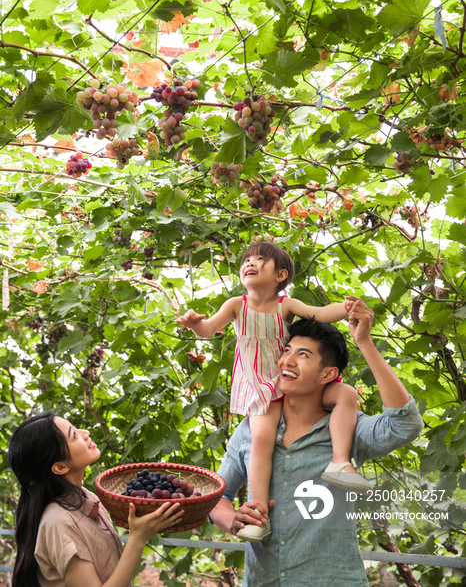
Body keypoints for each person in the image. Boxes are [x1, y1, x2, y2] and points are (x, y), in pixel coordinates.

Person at [209, 298, 424, 586]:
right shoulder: (251, 429)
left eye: (303, 355)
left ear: (328, 374)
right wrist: (233, 520)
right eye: (287, 350)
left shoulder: (348, 429)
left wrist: (365, 343)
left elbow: (405, 425)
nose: (287, 360)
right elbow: (215, 497)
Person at [176, 241, 371, 542]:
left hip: (288, 379)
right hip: (258, 384)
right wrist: (194, 325)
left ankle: (339, 462)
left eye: (260, 260)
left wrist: (346, 309)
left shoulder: (286, 306)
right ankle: (258, 513)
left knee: (345, 393)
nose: (250, 263)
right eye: (247, 260)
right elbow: (209, 329)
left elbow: (318, 313)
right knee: (262, 439)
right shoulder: (236, 305)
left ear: (281, 274)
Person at [8, 413, 184, 587]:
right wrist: (138, 538)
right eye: (74, 435)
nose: (85, 433)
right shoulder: (59, 522)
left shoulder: (87, 498)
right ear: (60, 467)